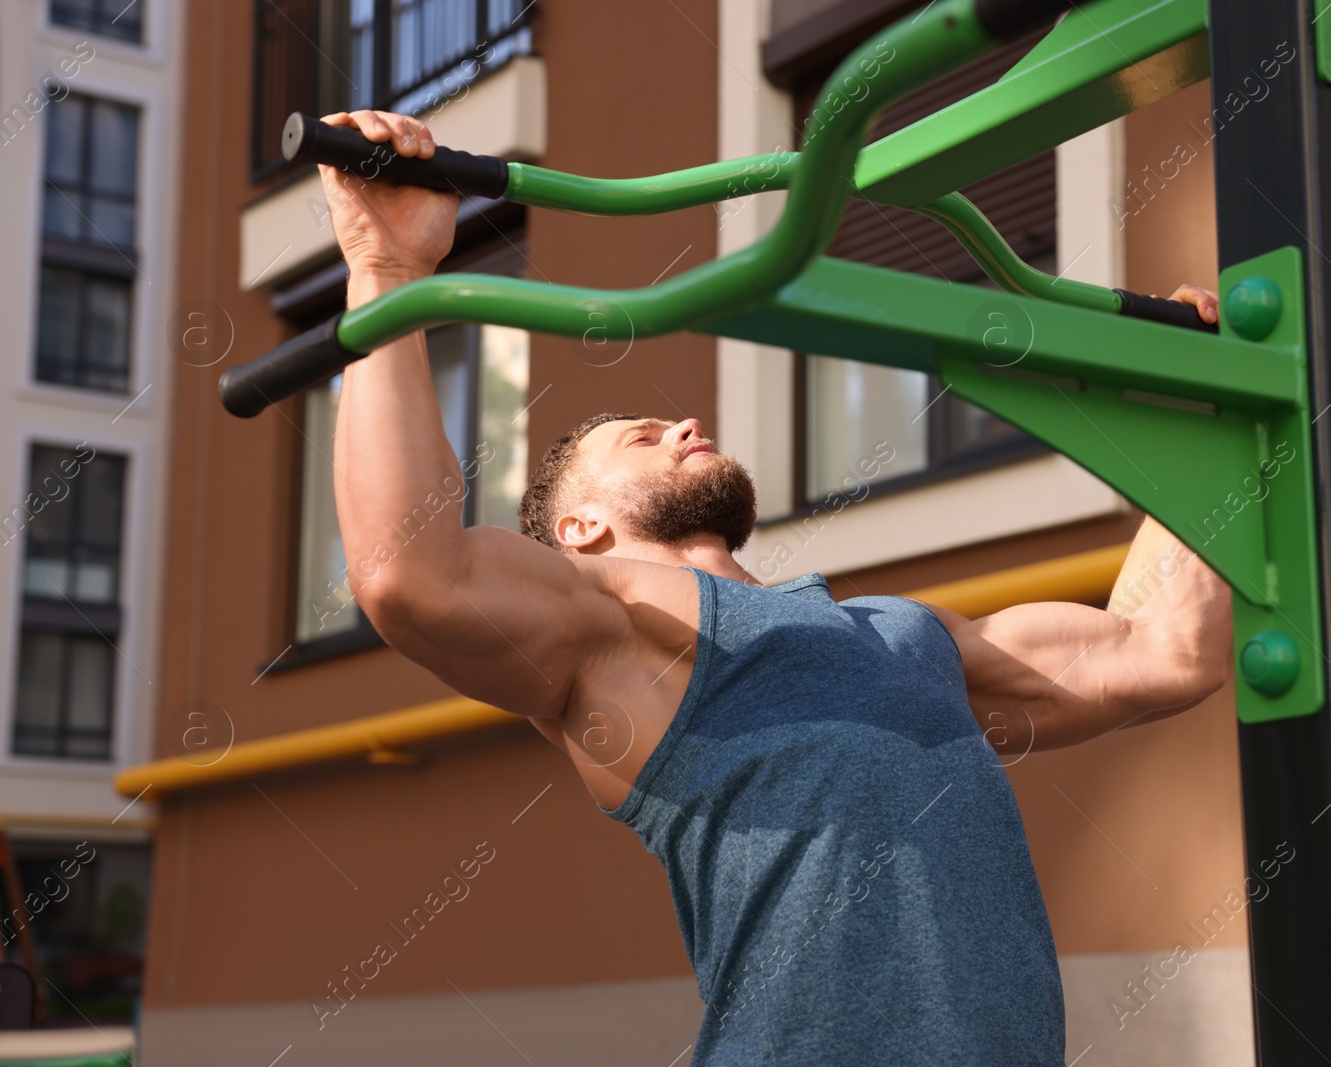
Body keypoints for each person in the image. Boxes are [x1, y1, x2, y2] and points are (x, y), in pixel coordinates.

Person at [316, 108, 1234, 1066]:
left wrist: (1209, 413)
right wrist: (389, 275)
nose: (680, 421)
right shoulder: (614, 627)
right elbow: (408, 573)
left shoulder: (903, 635)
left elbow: (1165, 649)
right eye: (639, 437)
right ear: (579, 531)